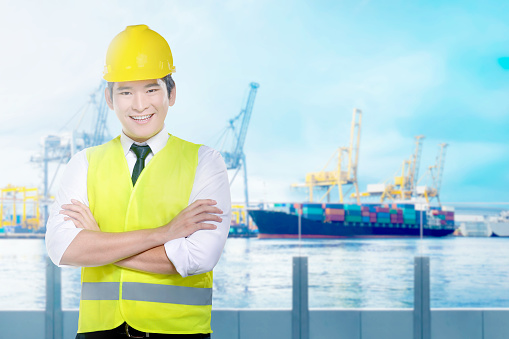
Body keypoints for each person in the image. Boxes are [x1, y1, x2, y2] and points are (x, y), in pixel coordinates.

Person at [45, 24, 231, 338]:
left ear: (171, 93)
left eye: (151, 89)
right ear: (109, 98)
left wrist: (98, 241)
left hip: (178, 333)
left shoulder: (205, 162)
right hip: (98, 332)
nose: (140, 104)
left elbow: (197, 257)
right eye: (126, 91)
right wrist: (165, 234)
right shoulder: (84, 163)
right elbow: (61, 248)